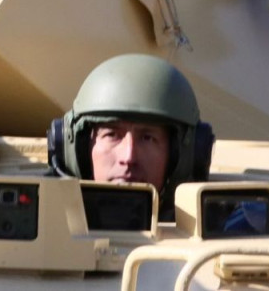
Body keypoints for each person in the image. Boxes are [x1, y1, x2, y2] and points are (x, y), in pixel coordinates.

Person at [49, 54, 211, 214]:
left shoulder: (228, 224)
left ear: (186, 154)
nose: (128, 158)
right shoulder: (44, 218)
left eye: (148, 138)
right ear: (77, 147)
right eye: (112, 135)